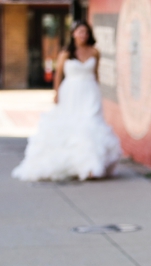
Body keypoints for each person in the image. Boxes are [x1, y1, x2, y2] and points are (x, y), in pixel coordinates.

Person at [12, 20, 121, 182]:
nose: (83, 35)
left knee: (90, 125)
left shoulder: (95, 52)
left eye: (85, 32)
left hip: (90, 92)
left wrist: (98, 91)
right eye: (79, 31)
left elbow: (96, 73)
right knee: (71, 126)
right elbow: (58, 74)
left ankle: (91, 166)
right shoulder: (65, 53)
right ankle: (74, 164)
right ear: (73, 34)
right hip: (70, 92)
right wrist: (56, 93)